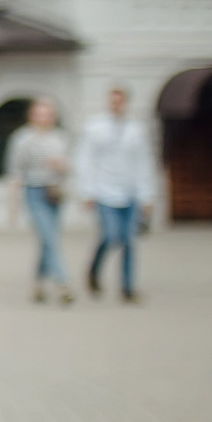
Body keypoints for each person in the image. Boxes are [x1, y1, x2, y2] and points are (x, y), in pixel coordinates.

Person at [75, 84, 154, 303]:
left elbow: (143, 164)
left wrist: (146, 195)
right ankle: (94, 270)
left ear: (126, 103)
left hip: (129, 193)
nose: (116, 105)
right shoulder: (95, 127)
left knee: (129, 240)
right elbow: (85, 160)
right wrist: (87, 191)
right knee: (110, 236)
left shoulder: (135, 130)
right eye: (113, 101)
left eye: (120, 101)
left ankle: (128, 288)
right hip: (103, 192)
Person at [10, 98, 73, 304]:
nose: (43, 118)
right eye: (39, 114)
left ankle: (38, 283)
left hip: (55, 192)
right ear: (32, 116)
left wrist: (61, 167)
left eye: (47, 114)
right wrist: (12, 204)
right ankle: (63, 283)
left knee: (48, 240)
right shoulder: (23, 139)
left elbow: (70, 167)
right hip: (34, 191)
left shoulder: (60, 138)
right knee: (50, 238)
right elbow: (15, 171)